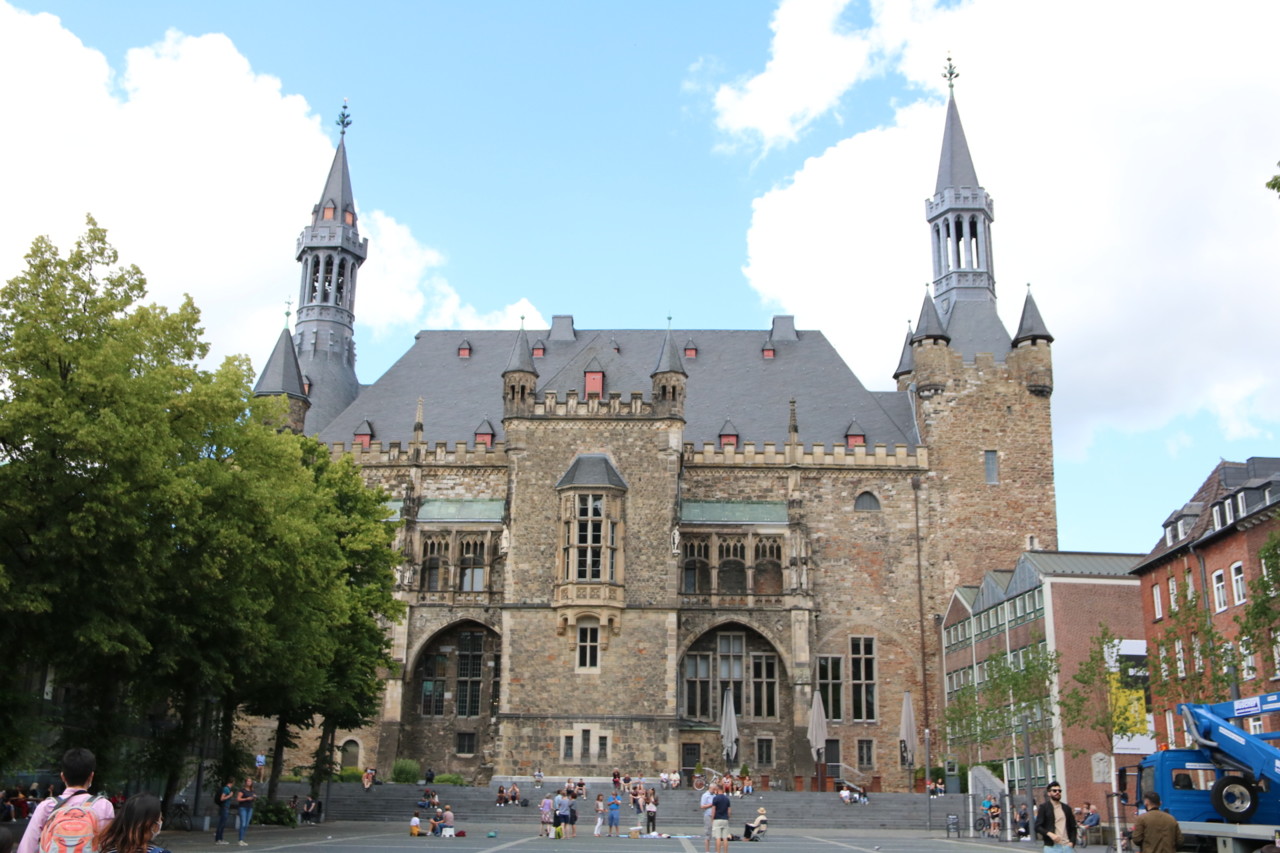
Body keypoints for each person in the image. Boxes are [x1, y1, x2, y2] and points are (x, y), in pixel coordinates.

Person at [18, 748, 115, 853]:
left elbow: (27, 846)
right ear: (91, 776)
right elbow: (107, 845)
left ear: (62, 776)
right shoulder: (103, 805)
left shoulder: (47, 806)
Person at [93, 793, 169, 853]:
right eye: (160, 819)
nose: (161, 822)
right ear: (150, 824)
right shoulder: (160, 852)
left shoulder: (107, 850)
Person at [1034, 781, 1077, 853]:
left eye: (1059, 791)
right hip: (1052, 847)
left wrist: (1072, 842)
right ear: (1049, 793)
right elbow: (1037, 826)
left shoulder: (1066, 808)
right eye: (1054, 791)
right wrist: (1051, 834)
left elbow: (1073, 827)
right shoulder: (1044, 807)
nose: (1057, 792)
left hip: (1067, 846)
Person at [711, 782, 732, 853]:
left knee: (718, 838)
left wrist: (712, 819)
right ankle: (725, 852)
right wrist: (728, 817)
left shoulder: (715, 798)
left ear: (717, 789)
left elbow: (713, 810)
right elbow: (729, 811)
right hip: (725, 819)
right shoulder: (727, 799)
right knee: (725, 838)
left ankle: (718, 851)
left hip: (717, 819)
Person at [235, 779, 257, 846]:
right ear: (245, 782)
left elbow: (254, 798)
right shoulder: (242, 790)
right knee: (243, 824)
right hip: (243, 807)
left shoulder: (252, 790)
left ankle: (242, 839)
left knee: (246, 825)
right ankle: (240, 840)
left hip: (250, 808)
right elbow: (238, 799)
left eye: (250, 781)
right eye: (248, 781)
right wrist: (246, 799)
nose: (249, 783)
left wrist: (254, 797)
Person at [213, 777, 235, 844]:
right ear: (232, 782)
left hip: (225, 807)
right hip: (224, 807)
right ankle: (218, 839)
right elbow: (222, 798)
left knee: (223, 823)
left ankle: (221, 838)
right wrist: (230, 795)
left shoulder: (227, 788)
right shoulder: (226, 789)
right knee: (221, 823)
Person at [700, 783, 717, 853]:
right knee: (708, 833)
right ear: (711, 788)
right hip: (708, 815)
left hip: (715, 815)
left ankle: (717, 850)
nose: (715, 790)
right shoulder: (705, 795)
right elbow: (702, 806)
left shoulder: (715, 795)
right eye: (714, 789)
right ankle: (707, 851)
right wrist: (711, 804)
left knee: (716, 834)